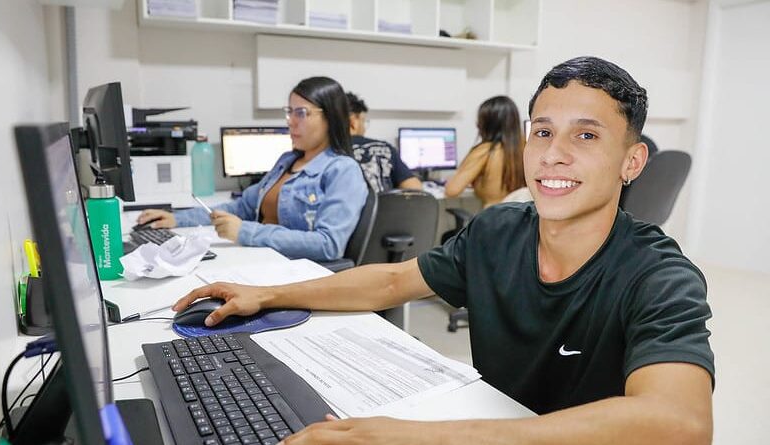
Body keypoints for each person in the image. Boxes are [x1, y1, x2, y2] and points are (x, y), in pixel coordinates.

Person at [172, 57, 715, 444]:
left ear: (632, 162)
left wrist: (427, 438)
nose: (554, 156)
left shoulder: (660, 275)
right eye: (542, 132)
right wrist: (266, 294)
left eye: (587, 136)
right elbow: (389, 283)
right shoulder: (498, 230)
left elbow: (680, 424)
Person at [136, 77, 368, 262]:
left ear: (331, 118)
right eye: (290, 111)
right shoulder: (287, 161)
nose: (291, 121)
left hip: (295, 272)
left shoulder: (343, 171)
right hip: (260, 258)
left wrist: (244, 232)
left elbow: (329, 245)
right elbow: (242, 206)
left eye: (301, 113)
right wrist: (177, 219)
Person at [444, 95, 527, 208]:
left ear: (487, 124)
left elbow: (452, 191)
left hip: (494, 220)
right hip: (523, 219)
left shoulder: (485, 151)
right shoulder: (526, 148)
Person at [346, 92, 423, 192]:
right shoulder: (386, 148)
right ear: (353, 122)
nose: (364, 127)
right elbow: (415, 188)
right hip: (387, 207)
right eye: (363, 121)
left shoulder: (329, 151)